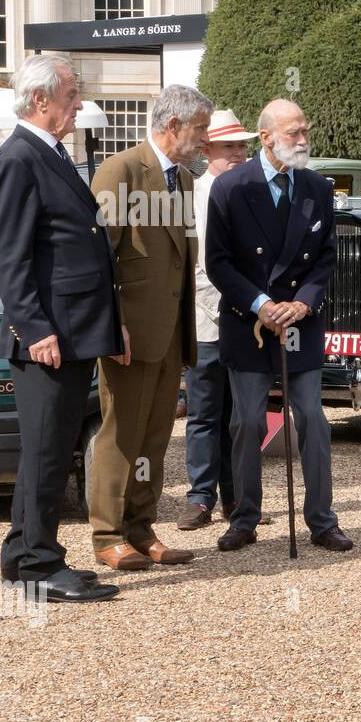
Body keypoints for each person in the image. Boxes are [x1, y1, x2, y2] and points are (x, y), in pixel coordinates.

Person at [0, 53, 122, 602]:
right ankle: (40, 566)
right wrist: (35, 329)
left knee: (47, 449)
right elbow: (10, 259)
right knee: (46, 453)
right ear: (40, 100)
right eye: (71, 94)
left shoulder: (48, 153)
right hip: (49, 335)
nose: (79, 103)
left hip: (71, 330)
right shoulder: (18, 158)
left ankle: (23, 555)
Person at [204, 99, 353, 553]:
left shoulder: (317, 189)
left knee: (312, 418)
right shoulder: (229, 187)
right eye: (294, 133)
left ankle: (322, 521)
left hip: (300, 322)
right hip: (248, 320)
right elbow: (219, 263)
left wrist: (303, 305)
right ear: (266, 137)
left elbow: (325, 257)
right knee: (247, 422)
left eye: (306, 131)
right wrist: (261, 303)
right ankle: (244, 518)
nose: (303, 140)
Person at [88, 84, 211, 571]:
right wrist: (111, 327)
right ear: (173, 125)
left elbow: (179, 257)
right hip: (130, 336)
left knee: (155, 437)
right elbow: (98, 259)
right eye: (200, 129)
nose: (204, 139)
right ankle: (107, 534)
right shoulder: (120, 170)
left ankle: (140, 529)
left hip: (170, 333)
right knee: (122, 434)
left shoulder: (180, 176)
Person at [176, 109, 257, 531]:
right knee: (205, 412)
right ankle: (201, 496)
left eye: (243, 146)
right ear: (207, 150)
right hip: (209, 321)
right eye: (231, 147)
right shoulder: (193, 195)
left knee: (241, 415)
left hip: (244, 320)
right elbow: (198, 267)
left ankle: (237, 497)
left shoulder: (249, 192)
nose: (240, 153)